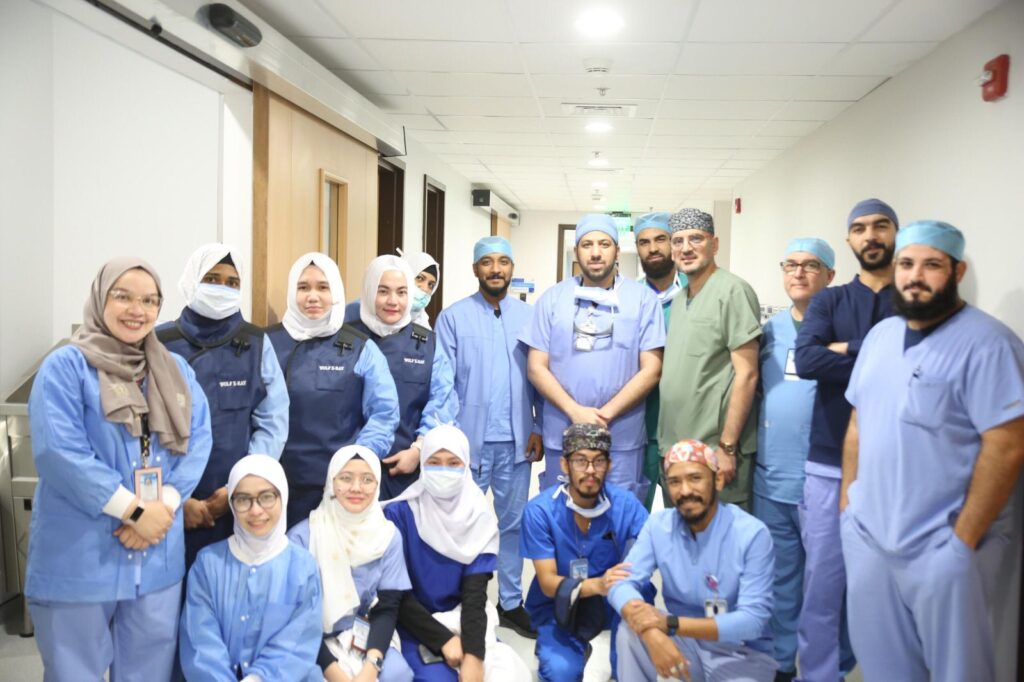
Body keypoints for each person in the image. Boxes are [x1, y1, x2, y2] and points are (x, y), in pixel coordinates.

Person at [840, 221, 1024, 681]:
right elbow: (858, 424)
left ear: (957, 271)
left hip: (944, 547)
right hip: (870, 538)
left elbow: (1007, 446)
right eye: (906, 264)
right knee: (882, 667)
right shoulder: (881, 337)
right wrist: (848, 508)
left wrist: (961, 543)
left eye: (932, 265)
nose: (915, 276)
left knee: (958, 671)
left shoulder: (990, 344)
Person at [26, 257, 212, 681]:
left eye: (149, 301)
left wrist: (163, 505)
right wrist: (134, 510)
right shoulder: (66, 367)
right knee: (75, 671)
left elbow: (198, 439)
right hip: (80, 559)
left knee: (149, 672)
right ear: (100, 299)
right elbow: (60, 453)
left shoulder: (175, 371)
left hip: (156, 558)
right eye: (123, 297)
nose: (137, 310)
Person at [793, 198, 899, 681]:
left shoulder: (912, 299)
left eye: (880, 226)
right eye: (859, 228)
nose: (870, 236)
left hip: (896, 466)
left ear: (895, 233)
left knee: (885, 584)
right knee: (823, 581)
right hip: (829, 463)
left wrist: (845, 348)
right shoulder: (830, 301)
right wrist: (877, 351)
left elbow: (917, 361)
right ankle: (818, 674)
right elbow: (808, 361)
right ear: (849, 240)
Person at [435, 235, 543, 638]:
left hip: (517, 443)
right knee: (460, 524)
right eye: (487, 262)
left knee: (512, 526)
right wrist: (450, 440)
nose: (496, 269)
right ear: (475, 269)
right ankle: (457, 602)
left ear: (512, 268)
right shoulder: (453, 318)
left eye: (503, 262)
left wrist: (537, 426)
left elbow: (541, 377)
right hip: (468, 446)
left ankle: (510, 603)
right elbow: (442, 385)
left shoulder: (529, 318)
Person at [157, 243, 289, 568]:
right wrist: (177, 498)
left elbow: (273, 422)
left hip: (236, 502)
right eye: (212, 279)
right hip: (168, 503)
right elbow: (142, 433)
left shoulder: (256, 343)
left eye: (232, 282)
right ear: (192, 279)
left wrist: (239, 487)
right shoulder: (160, 342)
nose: (222, 288)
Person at [521, 213, 665, 501]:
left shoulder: (643, 300)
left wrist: (605, 414)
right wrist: (575, 411)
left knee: (619, 516)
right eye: (587, 245)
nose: (596, 252)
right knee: (563, 514)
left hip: (621, 437)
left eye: (604, 244)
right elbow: (536, 367)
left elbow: (652, 369)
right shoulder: (553, 299)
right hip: (564, 431)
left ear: (617, 251)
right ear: (577, 252)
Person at [610, 439, 777, 682]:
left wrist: (671, 624)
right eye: (675, 482)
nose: (685, 490)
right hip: (686, 646)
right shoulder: (659, 526)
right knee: (630, 633)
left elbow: (753, 621)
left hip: (741, 654)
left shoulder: (751, 534)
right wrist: (650, 630)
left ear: (718, 480)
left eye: (695, 478)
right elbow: (620, 583)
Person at [383, 424, 530, 681]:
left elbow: (475, 596)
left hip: (462, 620)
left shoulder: (477, 517)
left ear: (466, 466)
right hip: (412, 625)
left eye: (453, 463)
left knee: (508, 672)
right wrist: (444, 640)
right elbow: (396, 594)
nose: (444, 471)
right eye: (434, 462)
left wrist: (474, 656)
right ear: (422, 465)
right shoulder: (398, 515)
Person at [753, 238, 835, 680]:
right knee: (780, 580)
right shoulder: (769, 332)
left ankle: (827, 668)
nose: (799, 273)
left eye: (811, 265)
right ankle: (782, 664)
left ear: (831, 276)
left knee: (825, 586)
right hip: (772, 479)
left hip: (824, 480)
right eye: (791, 265)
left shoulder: (842, 330)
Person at [267, 252, 399, 525]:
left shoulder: (362, 348)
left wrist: (356, 463)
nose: (313, 297)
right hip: (278, 482)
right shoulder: (267, 343)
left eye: (323, 287)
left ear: (336, 292)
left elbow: (384, 414)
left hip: (343, 485)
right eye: (303, 287)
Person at [520, 424, 652, 681]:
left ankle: (621, 661)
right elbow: (548, 582)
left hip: (609, 599)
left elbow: (654, 545)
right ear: (564, 465)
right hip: (559, 601)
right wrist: (598, 584)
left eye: (598, 461)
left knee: (642, 590)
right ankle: (558, 645)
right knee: (561, 672)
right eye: (581, 461)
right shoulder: (541, 511)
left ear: (609, 465)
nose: (590, 470)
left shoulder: (624, 504)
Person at [180, 454, 322, 680]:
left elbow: (298, 643)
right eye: (243, 499)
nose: (255, 510)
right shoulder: (208, 564)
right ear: (231, 504)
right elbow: (200, 642)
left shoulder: (303, 567)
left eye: (266, 497)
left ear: (283, 497)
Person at [658, 208, 761, 510]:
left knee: (720, 534)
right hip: (677, 449)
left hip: (715, 451)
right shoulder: (679, 300)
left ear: (714, 244)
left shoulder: (733, 291)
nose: (686, 248)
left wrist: (727, 447)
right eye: (678, 241)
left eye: (696, 239)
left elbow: (747, 374)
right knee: (680, 534)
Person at [289, 445, 415, 682]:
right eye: (346, 478)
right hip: (312, 642)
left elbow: (386, 608)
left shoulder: (387, 536)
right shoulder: (303, 538)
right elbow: (296, 617)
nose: (356, 488)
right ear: (331, 482)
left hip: (365, 634)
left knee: (398, 674)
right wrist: (336, 674)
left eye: (367, 479)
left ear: (378, 484)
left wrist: (371, 668)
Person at [344, 255, 458, 499]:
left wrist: (418, 450)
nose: (393, 301)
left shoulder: (427, 343)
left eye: (402, 292)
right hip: (345, 467)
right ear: (369, 290)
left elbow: (443, 401)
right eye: (383, 291)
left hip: (403, 468)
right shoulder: (344, 338)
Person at [632, 212, 688, 510]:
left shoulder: (698, 292)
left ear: (673, 243)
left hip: (685, 427)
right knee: (632, 518)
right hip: (638, 427)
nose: (652, 248)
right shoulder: (628, 298)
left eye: (660, 239)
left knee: (686, 515)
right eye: (644, 242)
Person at [402, 249, 440, 328]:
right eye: (419, 278)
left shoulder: (424, 325)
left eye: (431, 285)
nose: (425, 288)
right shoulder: (381, 317)